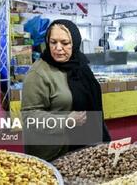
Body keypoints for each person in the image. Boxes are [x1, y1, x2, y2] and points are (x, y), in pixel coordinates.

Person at [22, 19, 110, 161]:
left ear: (74, 42)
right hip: (56, 152)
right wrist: (66, 121)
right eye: (53, 42)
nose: (58, 48)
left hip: (84, 146)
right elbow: (29, 116)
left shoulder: (80, 65)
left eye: (65, 43)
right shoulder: (38, 73)